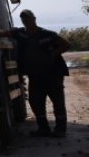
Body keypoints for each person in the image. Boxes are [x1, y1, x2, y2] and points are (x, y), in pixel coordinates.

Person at [5, 9, 71, 137]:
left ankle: (60, 129)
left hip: (52, 74)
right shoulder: (21, 34)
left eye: (28, 19)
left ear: (34, 19)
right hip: (35, 76)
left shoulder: (47, 34)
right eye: (23, 19)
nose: (26, 21)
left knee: (57, 102)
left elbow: (66, 44)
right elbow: (5, 33)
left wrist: (52, 54)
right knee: (35, 102)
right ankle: (43, 128)